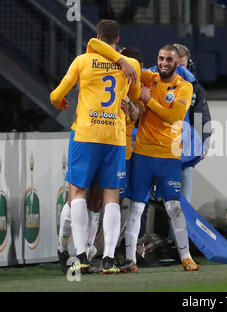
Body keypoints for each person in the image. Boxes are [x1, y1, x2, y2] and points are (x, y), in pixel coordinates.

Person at [89, 43, 199, 272]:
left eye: (168, 59)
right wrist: (121, 57)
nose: (163, 63)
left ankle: (186, 256)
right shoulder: (149, 77)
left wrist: (148, 100)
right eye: (160, 58)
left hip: (169, 157)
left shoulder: (184, 87)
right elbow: (131, 70)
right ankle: (131, 260)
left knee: (174, 208)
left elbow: (174, 116)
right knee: (136, 207)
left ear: (177, 63)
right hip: (143, 156)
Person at [50, 19, 141, 274]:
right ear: (118, 40)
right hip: (113, 137)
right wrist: (120, 63)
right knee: (111, 197)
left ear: (97, 36)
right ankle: (109, 258)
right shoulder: (131, 65)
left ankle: (80, 255)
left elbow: (57, 95)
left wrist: (59, 102)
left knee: (77, 193)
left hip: (85, 135)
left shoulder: (82, 61)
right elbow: (134, 97)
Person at [172, 43, 211, 203]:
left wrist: (204, 144)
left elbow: (201, 116)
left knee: (184, 201)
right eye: (176, 62)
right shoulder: (156, 81)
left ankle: (178, 229)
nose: (179, 67)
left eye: (182, 62)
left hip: (185, 150)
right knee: (149, 199)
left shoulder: (195, 88)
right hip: (160, 147)